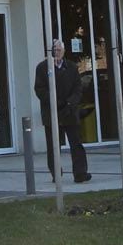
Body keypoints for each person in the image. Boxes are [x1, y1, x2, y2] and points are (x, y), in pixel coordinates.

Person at [34, 38, 92, 184]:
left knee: (76, 144)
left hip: (69, 112)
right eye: (54, 50)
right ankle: (56, 174)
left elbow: (78, 89)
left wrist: (70, 103)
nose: (57, 53)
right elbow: (39, 89)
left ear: (64, 51)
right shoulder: (42, 68)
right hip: (51, 113)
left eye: (59, 50)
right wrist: (54, 101)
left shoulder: (72, 67)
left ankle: (80, 173)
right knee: (53, 146)